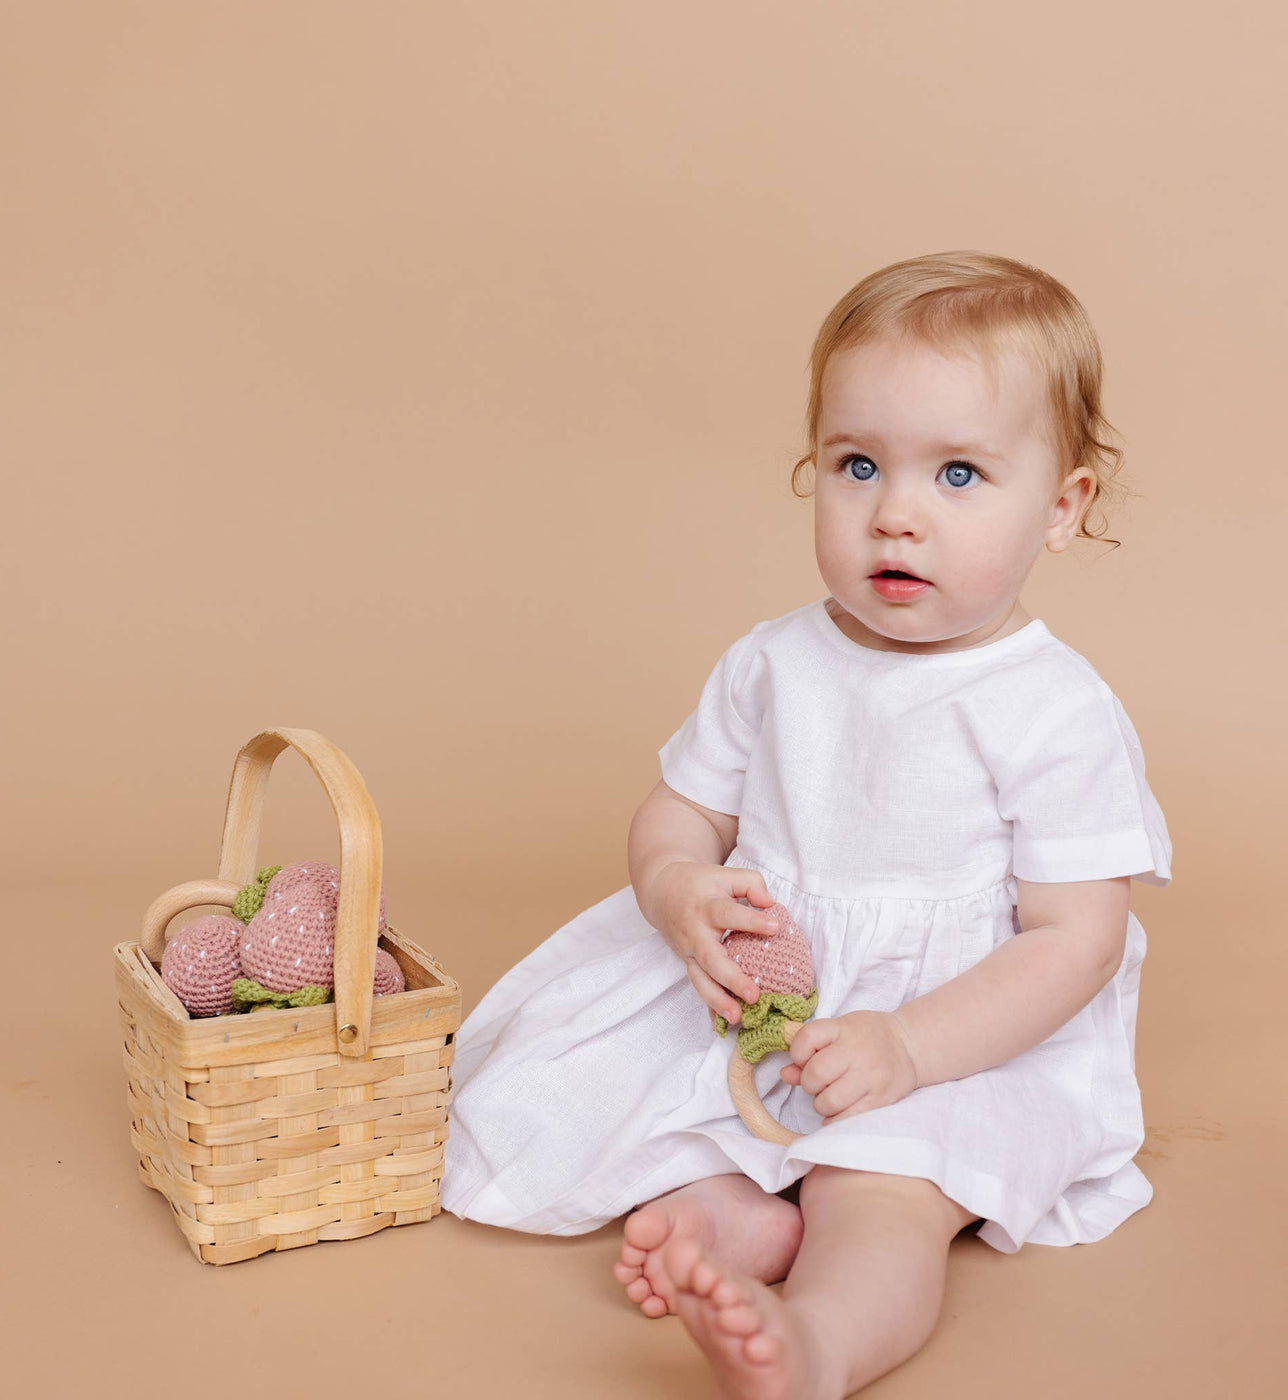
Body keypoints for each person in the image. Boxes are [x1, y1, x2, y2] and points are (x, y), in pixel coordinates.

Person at [439, 250, 1172, 1399]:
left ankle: (820, 1339)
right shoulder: (773, 660)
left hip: (959, 1035)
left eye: (959, 474)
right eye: (856, 464)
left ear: (1061, 506)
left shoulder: (1050, 708)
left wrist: (909, 1045)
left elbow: (1075, 939)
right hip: (773, 1011)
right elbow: (680, 811)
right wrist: (675, 886)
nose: (894, 514)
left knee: (881, 1187)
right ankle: (732, 1222)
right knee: (690, 1124)